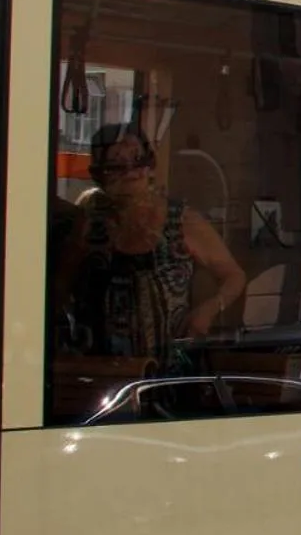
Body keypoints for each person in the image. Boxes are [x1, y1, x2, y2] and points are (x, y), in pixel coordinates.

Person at [56, 124, 246, 366]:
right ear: (99, 174)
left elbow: (234, 276)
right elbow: (60, 286)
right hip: (104, 370)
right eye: (116, 164)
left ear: (151, 167)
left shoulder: (182, 220)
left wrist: (208, 309)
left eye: (137, 160)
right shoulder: (89, 221)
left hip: (169, 370)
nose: (130, 171)